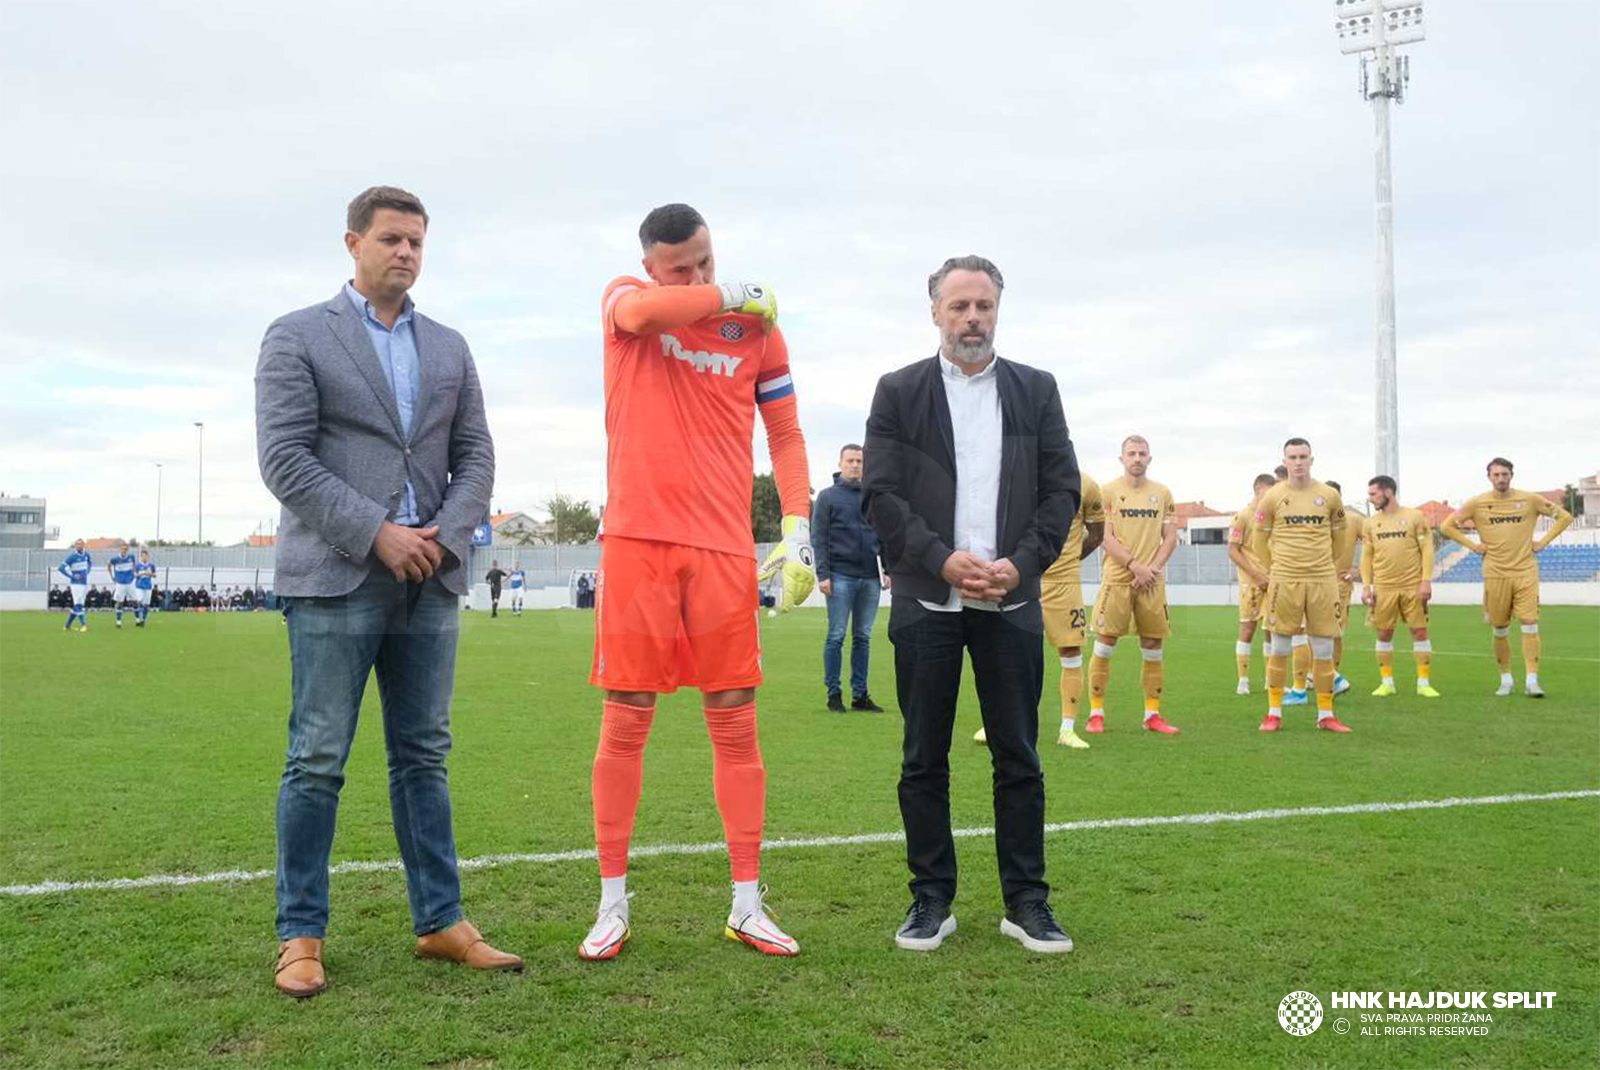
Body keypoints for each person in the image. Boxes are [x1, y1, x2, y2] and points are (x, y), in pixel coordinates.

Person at [255, 185, 519, 998]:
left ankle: (441, 921)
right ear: (353, 243)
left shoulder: (449, 345)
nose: (406, 253)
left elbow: (474, 452)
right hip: (338, 578)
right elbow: (286, 459)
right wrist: (377, 530)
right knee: (317, 759)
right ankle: (301, 936)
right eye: (392, 239)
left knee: (423, 757)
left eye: (417, 243)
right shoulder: (297, 336)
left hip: (428, 581)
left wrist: (446, 531)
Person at [583, 202, 813, 960]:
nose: (700, 277)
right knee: (628, 713)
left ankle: (747, 902)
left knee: (736, 716)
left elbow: (783, 431)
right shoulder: (630, 301)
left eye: (707, 262)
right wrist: (728, 292)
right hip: (639, 542)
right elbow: (647, 310)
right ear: (652, 264)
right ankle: (611, 903)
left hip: (720, 547)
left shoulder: (758, 331)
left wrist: (799, 525)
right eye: (683, 268)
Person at [863, 255, 1079, 954]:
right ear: (935, 313)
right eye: (958, 306)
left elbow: (1061, 494)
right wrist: (941, 558)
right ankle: (931, 901)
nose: (972, 319)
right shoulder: (899, 392)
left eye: (983, 306)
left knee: (1018, 755)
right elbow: (883, 497)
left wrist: (1018, 565)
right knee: (923, 757)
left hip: (1011, 601)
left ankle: (1027, 903)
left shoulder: (1035, 390)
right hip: (929, 599)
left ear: (998, 310)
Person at [976, 471, 1104, 749]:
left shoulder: (1088, 485)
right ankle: (995, 723)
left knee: (1070, 651)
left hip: (1063, 583)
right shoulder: (1019, 475)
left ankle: (1067, 729)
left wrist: (1067, 559)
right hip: (1021, 577)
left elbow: (1096, 535)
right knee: (1008, 651)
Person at [1440, 457, 1573, 697]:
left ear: (1512, 475)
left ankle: (1532, 681)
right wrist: (1472, 545)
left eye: (1505, 474)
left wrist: (1542, 542)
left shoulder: (1529, 499)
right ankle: (1506, 679)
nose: (1501, 478)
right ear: (1489, 477)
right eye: (1496, 474)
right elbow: (1446, 526)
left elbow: (1565, 517)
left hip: (1525, 571)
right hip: (1495, 573)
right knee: (1500, 627)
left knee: (1530, 623)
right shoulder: (1477, 503)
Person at [1251, 437, 1352, 732]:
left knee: (1322, 647)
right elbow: (1259, 540)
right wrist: (1275, 569)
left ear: (1311, 459)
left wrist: (1324, 565)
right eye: (1292, 457)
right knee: (1280, 645)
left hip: (1322, 579)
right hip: (1285, 579)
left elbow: (1340, 536)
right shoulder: (1272, 497)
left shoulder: (1329, 495)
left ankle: (1326, 715)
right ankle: (1273, 712)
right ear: (1284, 461)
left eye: (1302, 456)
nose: (1298, 462)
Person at [1086, 436, 1181, 736]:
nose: (1137, 458)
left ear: (1149, 459)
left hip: (1151, 580)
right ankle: (1096, 713)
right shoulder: (1108, 491)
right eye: (1131, 453)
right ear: (1122, 458)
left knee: (1153, 646)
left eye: (1142, 453)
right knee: (1105, 643)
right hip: (1117, 579)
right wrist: (1134, 565)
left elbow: (1170, 537)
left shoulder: (1162, 493)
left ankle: (1152, 715)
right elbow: (1104, 536)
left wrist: (1151, 568)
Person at [812, 443, 886, 712]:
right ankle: (834, 694)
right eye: (851, 460)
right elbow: (818, 538)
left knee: (863, 638)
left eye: (859, 461)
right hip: (839, 576)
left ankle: (860, 696)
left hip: (870, 578)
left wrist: (887, 569)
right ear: (840, 463)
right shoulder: (827, 497)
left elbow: (884, 534)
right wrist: (823, 574)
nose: (855, 465)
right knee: (836, 636)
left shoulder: (874, 496)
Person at [1360, 475, 1439, 697]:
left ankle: (1423, 683)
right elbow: (1366, 557)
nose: (1371, 499)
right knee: (1384, 633)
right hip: (1384, 587)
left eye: (1373, 494)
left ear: (1388, 492)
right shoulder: (1369, 523)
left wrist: (1425, 581)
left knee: (1420, 631)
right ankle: (1387, 683)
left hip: (1412, 586)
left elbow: (1427, 551)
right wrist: (1366, 586)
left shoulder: (1415, 517)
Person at [1227, 474, 1276, 694]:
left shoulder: (1272, 517)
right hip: (1251, 583)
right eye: (1267, 493)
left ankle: (1270, 679)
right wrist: (1256, 575)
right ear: (1257, 490)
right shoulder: (1242, 516)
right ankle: (1243, 680)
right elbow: (1233, 551)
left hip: (1272, 582)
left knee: (1271, 630)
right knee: (1247, 628)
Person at [1326, 480, 1361, 696]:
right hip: (1314, 582)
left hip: (1340, 585)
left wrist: (1360, 572)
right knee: (1308, 631)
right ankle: (1314, 675)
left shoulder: (1354, 520)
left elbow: (1376, 543)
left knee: (1336, 632)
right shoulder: (1316, 519)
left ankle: (1333, 675)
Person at [57, 539, 91, 632]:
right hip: (76, 584)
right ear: (75, 546)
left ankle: (67, 626)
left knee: (78, 606)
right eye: (77, 544)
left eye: (80, 544)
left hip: (84, 583)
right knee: (78, 604)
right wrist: (72, 576)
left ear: (84, 545)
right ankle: (84, 625)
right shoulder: (72, 557)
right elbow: (60, 568)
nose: (79, 546)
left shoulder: (86, 555)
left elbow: (90, 563)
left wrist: (87, 571)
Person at [106, 542, 137, 628]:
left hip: (130, 583)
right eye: (123, 549)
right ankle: (118, 622)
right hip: (120, 584)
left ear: (128, 550)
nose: (124, 551)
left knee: (135, 601)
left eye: (126, 549)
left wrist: (134, 574)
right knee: (120, 602)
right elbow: (108, 565)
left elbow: (134, 566)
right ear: (120, 549)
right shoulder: (115, 559)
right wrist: (112, 576)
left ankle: (138, 620)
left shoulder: (131, 557)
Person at [133, 549, 156, 627]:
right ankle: (137, 618)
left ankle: (143, 620)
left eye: (145, 556)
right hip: (139, 586)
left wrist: (149, 574)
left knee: (146, 605)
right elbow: (134, 575)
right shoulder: (138, 565)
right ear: (141, 557)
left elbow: (154, 575)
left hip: (148, 587)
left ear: (148, 557)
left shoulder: (151, 565)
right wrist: (140, 574)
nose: (144, 557)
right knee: (138, 602)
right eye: (142, 556)